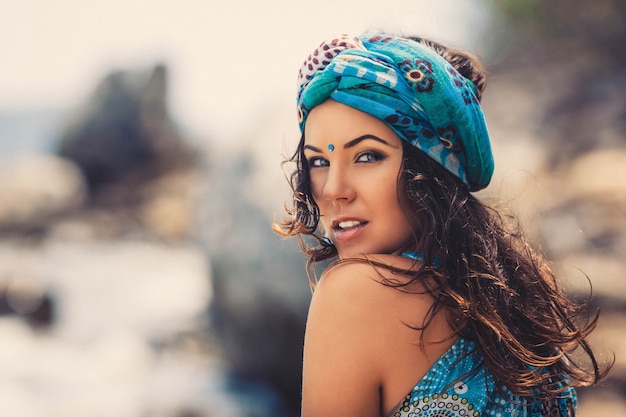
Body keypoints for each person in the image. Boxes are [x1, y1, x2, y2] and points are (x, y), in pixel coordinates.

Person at [273, 33, 610, 417]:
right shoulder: (519, 299)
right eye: (318, 161)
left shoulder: (355, 294)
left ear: (430, 166)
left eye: (367, 156)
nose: (334, 189)